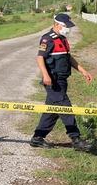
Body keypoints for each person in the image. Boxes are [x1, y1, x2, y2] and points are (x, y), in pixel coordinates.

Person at [31, 13, 93, 151]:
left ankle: (37, 138)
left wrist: (83, 71)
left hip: (62, 81)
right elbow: (40, 58)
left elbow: (68, 58)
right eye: (66, 26)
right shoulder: (47, 39)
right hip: (53, 81)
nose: (68, 29)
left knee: (51, 111)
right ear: (57, 24)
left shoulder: (63, 39)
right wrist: (45, 76)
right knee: (66, 108)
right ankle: (76, 139)